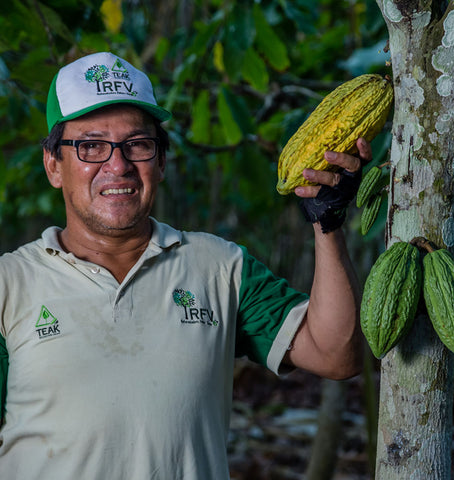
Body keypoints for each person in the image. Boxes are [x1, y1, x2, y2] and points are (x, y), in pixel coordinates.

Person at [0, 52, 370, 479]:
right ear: (54, 165)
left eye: (137, 145)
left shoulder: (220, 267)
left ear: (160, 162)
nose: (117, 165)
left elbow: (336, 354)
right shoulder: (11, 285)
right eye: (91, 146)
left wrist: (327, 220)